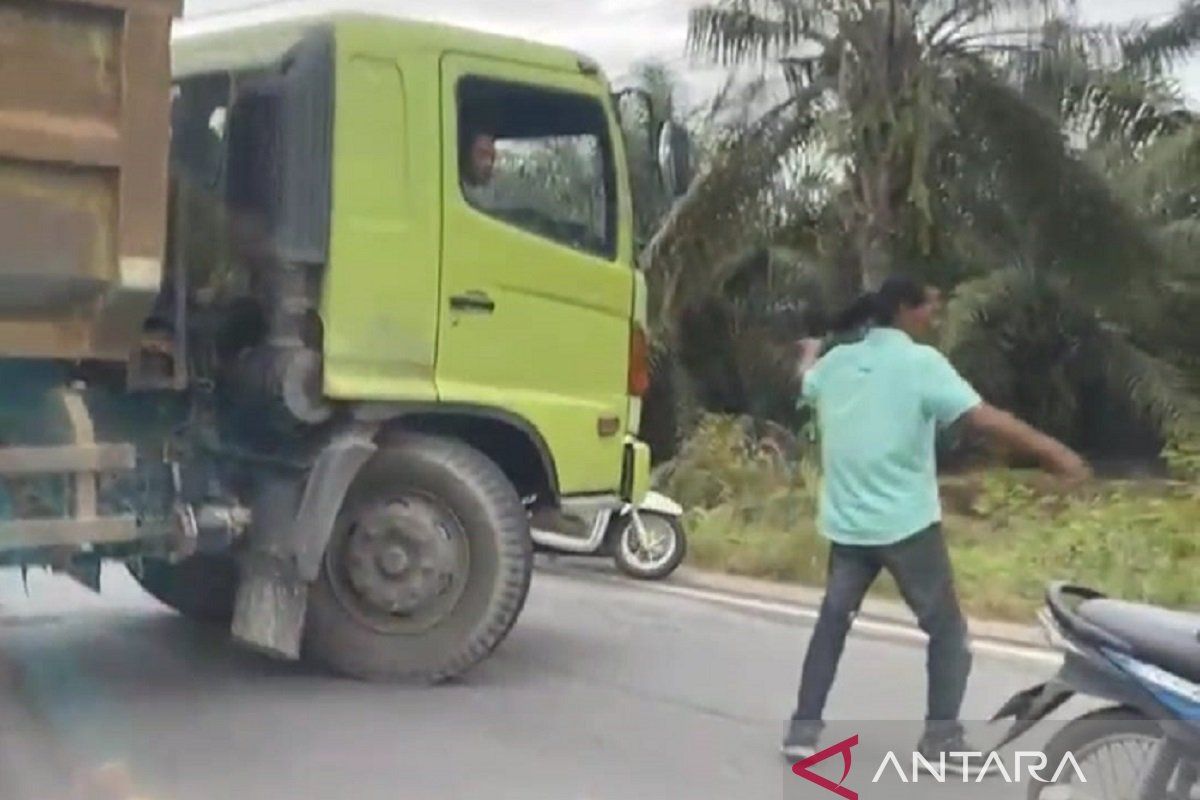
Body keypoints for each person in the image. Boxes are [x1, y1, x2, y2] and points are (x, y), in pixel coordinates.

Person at [781, 276, 1091, 767]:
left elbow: (805, 382)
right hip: (906, 527)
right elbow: (983, 418)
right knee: (948, 633)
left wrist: (810, 352)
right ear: (905, 310)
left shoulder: (835, 364)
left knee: (832, 624)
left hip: (847, 528)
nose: (937, 317)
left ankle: (802, 731)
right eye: (932, 307)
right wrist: (1058, 454)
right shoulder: (921, 364)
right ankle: (941, 741)